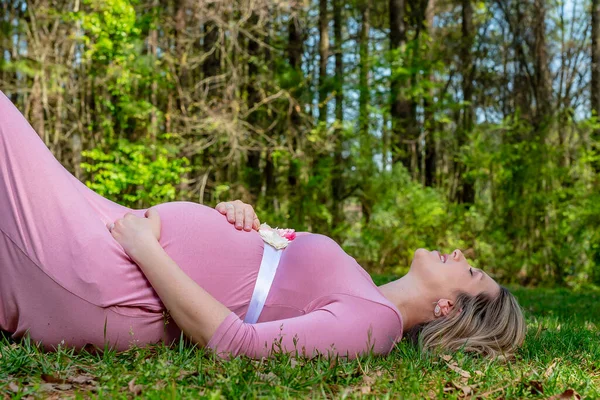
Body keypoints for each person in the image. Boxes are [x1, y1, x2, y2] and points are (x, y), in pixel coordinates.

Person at [0, 90, 526, 359]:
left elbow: (239, 344)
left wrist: (146, 248)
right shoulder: (363, 287)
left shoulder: (376, 324)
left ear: (448, 308)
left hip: (111, 280)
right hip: (112, 241)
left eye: (471, 269)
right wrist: (237, 221)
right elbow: (258, 279)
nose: (459, 253)